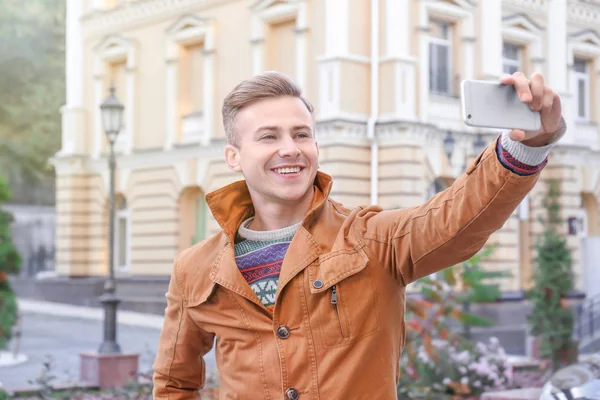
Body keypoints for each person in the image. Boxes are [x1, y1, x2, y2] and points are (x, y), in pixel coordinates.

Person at [152, 70, 566, 399]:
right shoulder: (195, 270)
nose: (291, 148)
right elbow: (174, 384)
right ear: (234, 156)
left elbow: (455, 221)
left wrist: (526, 147)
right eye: (268, 137)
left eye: (301, 134)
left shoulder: (370, 239)